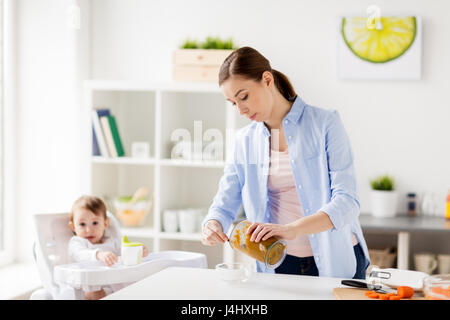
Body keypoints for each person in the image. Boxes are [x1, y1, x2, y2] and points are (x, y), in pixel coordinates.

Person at [201, 46, 370, 279]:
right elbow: (225, 201)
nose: (240, 110)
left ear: (267, 80)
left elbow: (347, 201)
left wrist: (292, 229)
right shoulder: (244, 141)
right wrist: (213, 223)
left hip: (335, 260)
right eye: (233, 103)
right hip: (278, 263)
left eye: (244, 96)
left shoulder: (325, 124)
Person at [68, 195, 148, 299]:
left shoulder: (111, 241)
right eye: (82, 224)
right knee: (94, 294)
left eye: (95, 223)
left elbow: (123, 254)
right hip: (86, 286)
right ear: (73, 227)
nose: (88, 230)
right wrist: (98, 254)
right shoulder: (77, 242)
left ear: (105, 224)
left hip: (112, 285)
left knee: (135, 283)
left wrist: (136, 251)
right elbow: (80, 254)